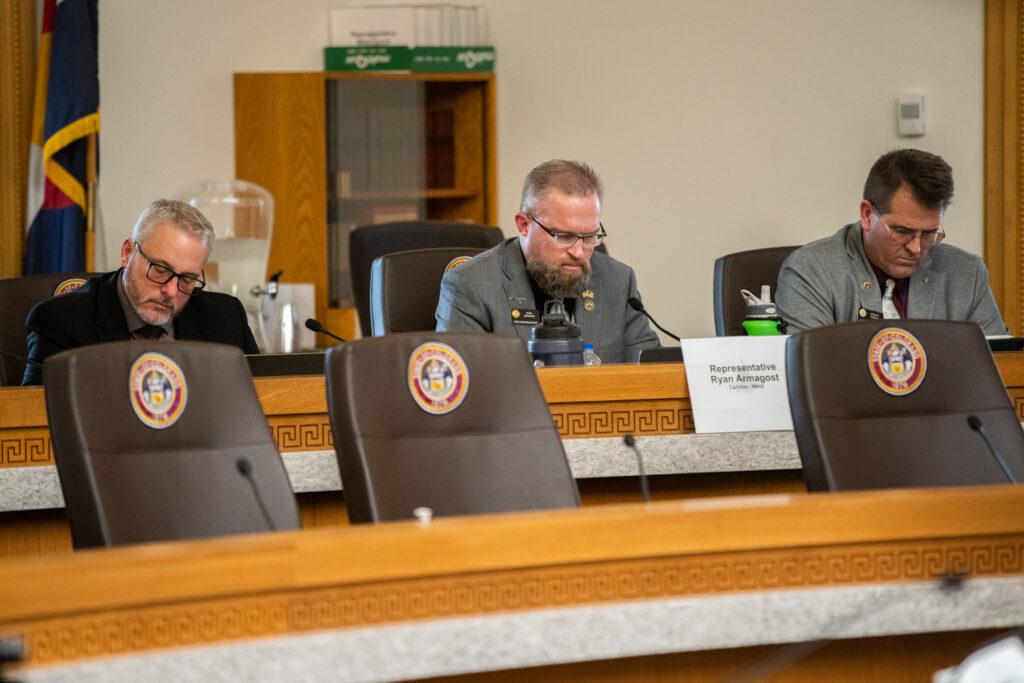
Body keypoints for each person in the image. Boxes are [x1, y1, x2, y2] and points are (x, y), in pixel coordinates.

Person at [435, 159, 660, 363]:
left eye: (590, 236)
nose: (579, 252)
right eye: (564, 236)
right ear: (524, 225)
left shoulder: (619, 281)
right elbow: (462, 388)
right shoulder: (470, 285)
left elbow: (652, 377)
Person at [22, 199, 258, 384]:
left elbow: (264, 401)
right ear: (127, 253)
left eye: (187, 279)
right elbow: (36, 417)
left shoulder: (227, 318)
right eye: (159, 269)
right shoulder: (61, 322)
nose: (171, 291)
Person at [776, 148, 1007, 335]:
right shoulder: (810, 272)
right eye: (902, 231)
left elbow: (999, 370)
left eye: (928, 234)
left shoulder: (967, 275)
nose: (916, 248)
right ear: (867, 215)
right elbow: (811, 376)